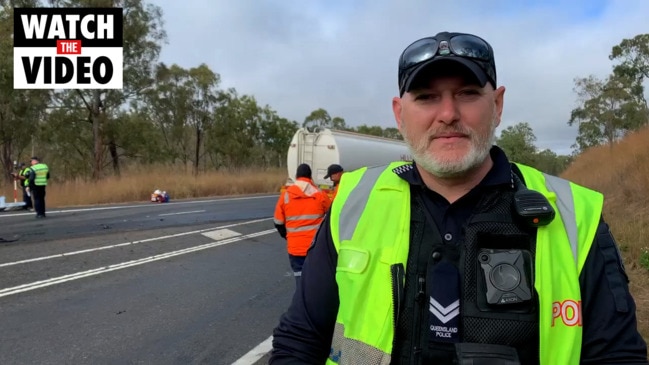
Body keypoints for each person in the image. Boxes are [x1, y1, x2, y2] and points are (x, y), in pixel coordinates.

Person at [270, 31, 648, 364]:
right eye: (427, 97)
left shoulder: (574, 214)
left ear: (497, 105)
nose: (448, 114)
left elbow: (617, 355)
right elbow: (300, 341)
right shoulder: (353, 202)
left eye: (467, 94)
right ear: (400, 114)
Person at [274, 163, 332, 287]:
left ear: (296, 176)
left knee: (300, 282)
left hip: (295, 247)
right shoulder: (319, 194)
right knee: (316, 282)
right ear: (310, 177)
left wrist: (288, 236)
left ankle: (302, 303)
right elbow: (331, 217)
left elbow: (278, 222)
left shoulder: (287, 195)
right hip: (315, 247)